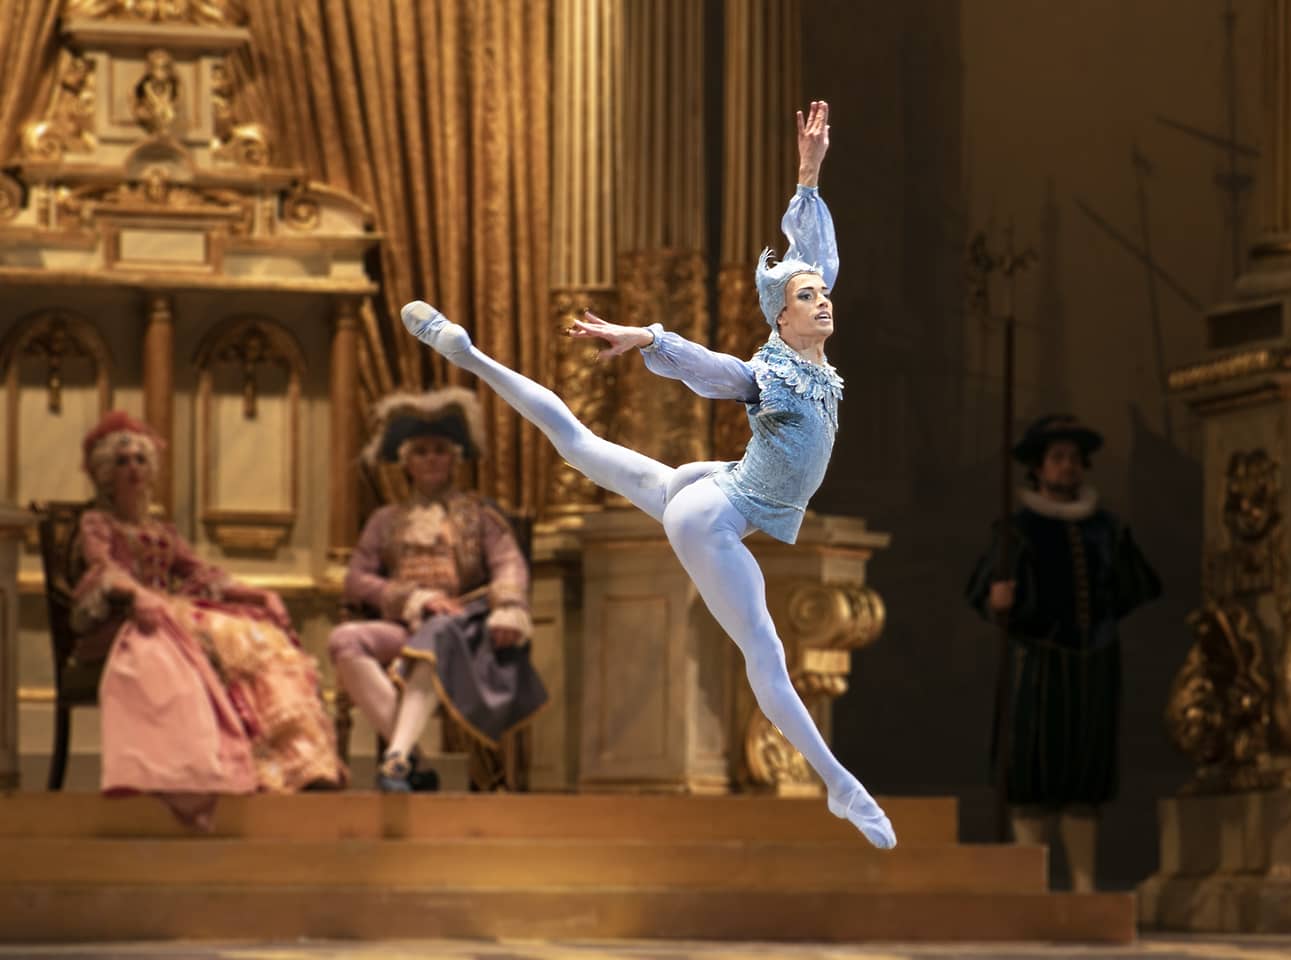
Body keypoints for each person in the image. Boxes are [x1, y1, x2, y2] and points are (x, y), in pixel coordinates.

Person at [401, 101, 892, 849]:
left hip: (716, 484)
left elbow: (815, 254)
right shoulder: (769, 373)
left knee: (580, 445)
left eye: (821, 294)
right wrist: (649, 337)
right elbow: (713, 369)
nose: (821, 300)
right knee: (764, 654)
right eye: (806, 298)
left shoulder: (809, 333)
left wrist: (808, 173)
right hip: (713, 515)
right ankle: (840, 786)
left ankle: (466, 352)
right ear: (780, 319)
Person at [70, 411, 343, 828]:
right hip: (129, 618)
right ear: (106, 472)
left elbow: (201, 572)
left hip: (171, 609)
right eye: (122, 462)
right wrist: (137, 595)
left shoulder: (161, 529)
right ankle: (228, 766)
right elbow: (103, 569)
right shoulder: (98, 523)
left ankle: (299, 763)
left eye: (140, 460)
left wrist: (257, 594)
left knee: (259, 636)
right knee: (219, 640)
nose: (133, 469)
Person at [966, 414, 1161, 890]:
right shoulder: (1017, 529)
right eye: (1057, 458)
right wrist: (996, 600)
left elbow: (1137, 585)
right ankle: (1029, 884)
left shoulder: (1106, 528)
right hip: (1036, 663)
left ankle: (1083, 884)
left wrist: (1104, 614)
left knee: (1084, 769)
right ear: (1039, 467)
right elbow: (983, 591)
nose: (1067, 466)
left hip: (1094, 664)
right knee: (1032, 768)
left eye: (1074, 458)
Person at [327, 387, 543, 791]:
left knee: (437, 634)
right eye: (421, 451)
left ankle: (394, 761)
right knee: (344, 639)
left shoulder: (480, 515)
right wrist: (415, 598)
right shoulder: (385, 520)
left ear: (454, 458)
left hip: (465, 629)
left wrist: (508, 608)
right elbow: (356, 579)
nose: (431, 459)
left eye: (440, 450)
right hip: (405, 625)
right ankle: (412, 759)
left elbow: (508, 564)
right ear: (406, 462)